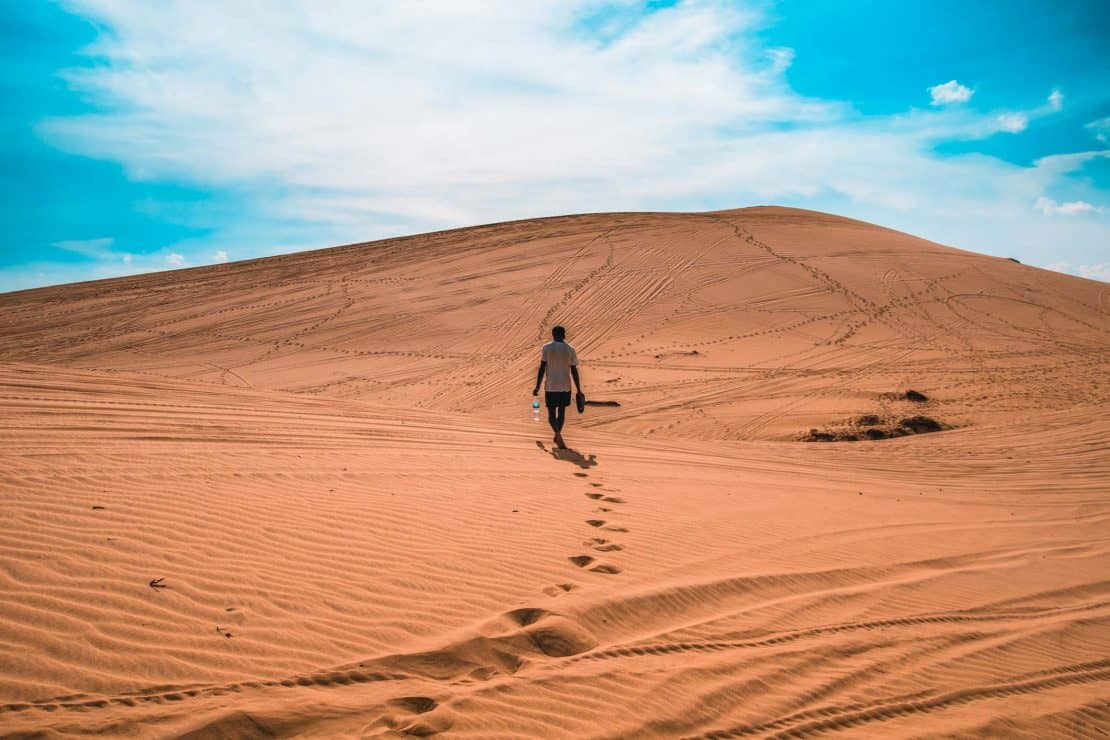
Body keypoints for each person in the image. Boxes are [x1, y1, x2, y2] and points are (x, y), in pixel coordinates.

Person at [533, 325, 582, 449]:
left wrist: (537, 386)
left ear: (553, 335)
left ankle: (557, 433)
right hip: (565, 386)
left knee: (551, 415)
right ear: (564, 334)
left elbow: (542, 367)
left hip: (551, 386)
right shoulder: (570, 349)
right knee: (561, 414)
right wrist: (579, 389)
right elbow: (574, 370)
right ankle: (558, 434)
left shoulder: (546, 348)